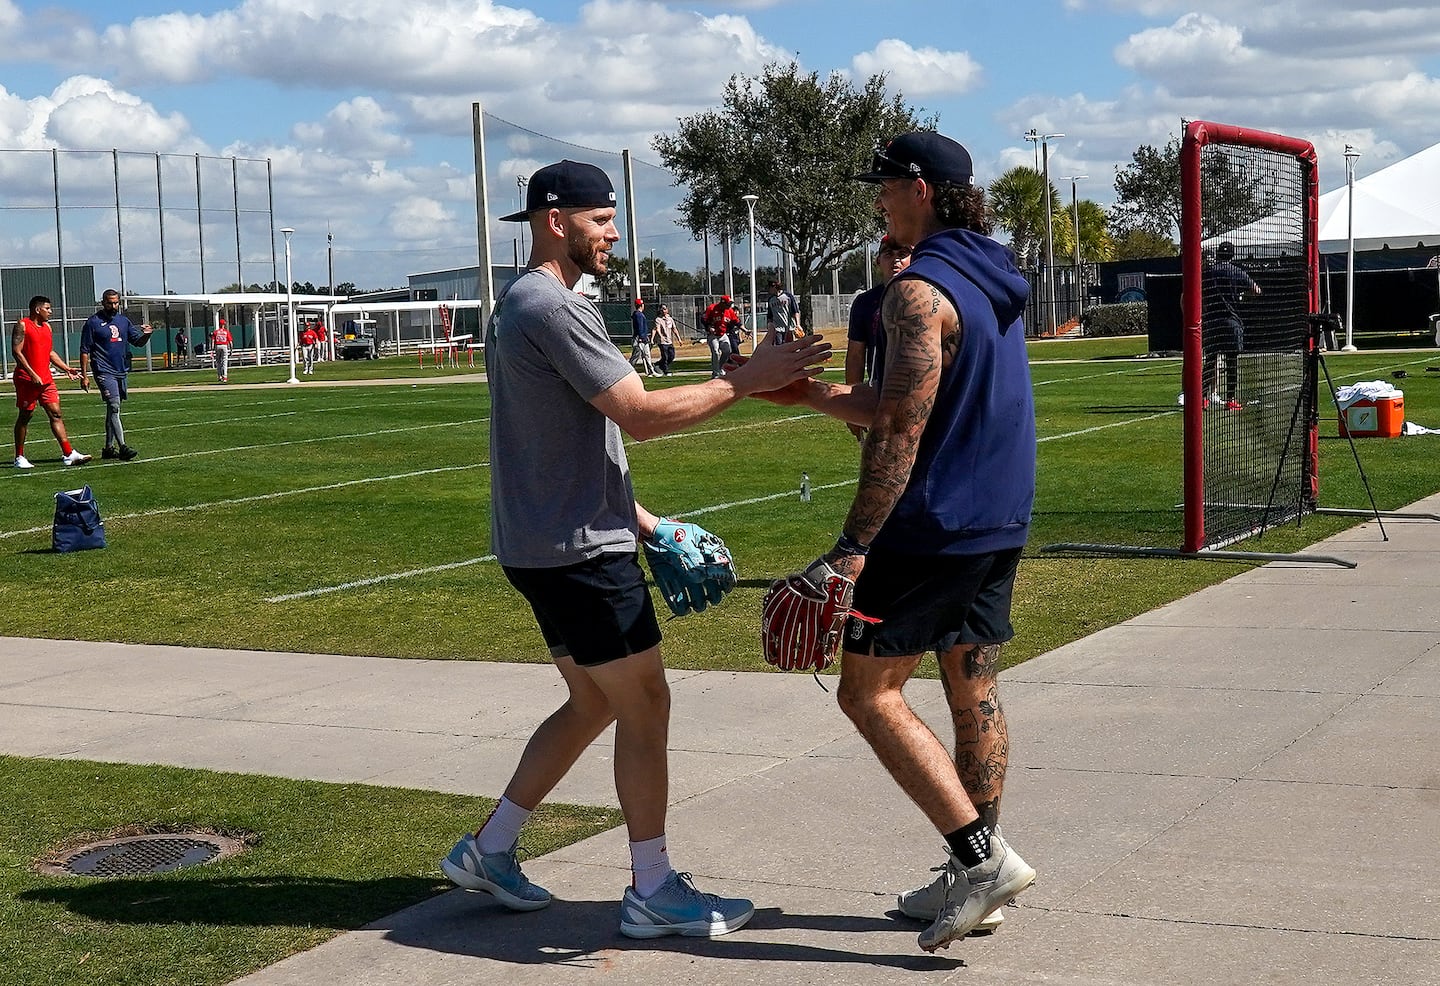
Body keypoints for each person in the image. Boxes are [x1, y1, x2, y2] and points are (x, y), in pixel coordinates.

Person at [444, 158, 829, 940]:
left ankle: (490, 849)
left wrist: (647, 523)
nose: (613, 235)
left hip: (548, 540)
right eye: (600, 221)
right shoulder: (551, 305)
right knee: (645, 703)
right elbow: (640, 415)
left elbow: (558, 444)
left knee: (595, 700)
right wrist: (743, 380)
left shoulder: (522, 302)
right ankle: (652, 887)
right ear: (558, 221)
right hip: (578, 552)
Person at [749, 132, 1037, 952]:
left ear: (920, 188)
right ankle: (974, 875)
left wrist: (850, 546)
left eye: (885, 186)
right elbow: (895, 403)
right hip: (997, 515)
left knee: (867, 694)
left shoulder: (918, 294)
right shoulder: (987, 274)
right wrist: (807, 395)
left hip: (934, 523)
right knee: (970, 683)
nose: (877, 199)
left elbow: (899, 431)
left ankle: (981, 861)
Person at [11, 295, 91, 469]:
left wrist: (66, 368)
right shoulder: (23, 325)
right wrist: (32, 374)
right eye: (47, 308)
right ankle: (19, 457)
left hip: (46, 380)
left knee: (56, 414)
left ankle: (68, 454)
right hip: (26, 380)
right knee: (25, 416)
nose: (50, 312)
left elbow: (50, 352)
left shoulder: (47, 327)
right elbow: (17, 352)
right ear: (37, 309)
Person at [844, 235, 912, 439]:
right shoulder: (866, 303)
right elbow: (856, 355)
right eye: (888, 254)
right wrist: (851, 406)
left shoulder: (929, 298)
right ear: (878, 261)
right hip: (880, 394)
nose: (896, 260)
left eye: (903, 254)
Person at [79, 289, 155, 461]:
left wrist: (147, 335)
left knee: (112, 409)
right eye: (109, 303)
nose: (113, 306)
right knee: (114, 406)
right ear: (102, 302)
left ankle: (108, 448)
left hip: (121, 370)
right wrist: (84, 375)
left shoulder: (123, 321)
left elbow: (137, 342)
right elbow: (84, 350)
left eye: (115, 303)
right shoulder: (93, 322)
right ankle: (123, 447)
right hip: (103, 371)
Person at [1201, 240, 1260, 410]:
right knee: (1231, 362)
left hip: (1212, 322)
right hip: (1231, 321)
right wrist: (1242, 297)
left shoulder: (1207, 273)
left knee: (1210, 361)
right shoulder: (1236, 271)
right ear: (1232, 255)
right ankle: (1230, 399)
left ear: (1218, 254)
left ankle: (1204, 398)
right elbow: (1256, 290)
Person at [701, 295, 742, 378]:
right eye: (728, 304)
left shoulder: (729, 311)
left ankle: (720, 368)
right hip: (713, 335)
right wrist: (709, 327)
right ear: (722, 303)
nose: (729, 306)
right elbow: (703, 319)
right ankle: (715, 373)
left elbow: (737, 322)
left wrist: (746, 330)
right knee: (716, 352)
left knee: (727, 351)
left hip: (723, 335)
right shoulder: (712, 308)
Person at [765, 279, 801, 344]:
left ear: (774, 287)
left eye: (770, 287)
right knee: (779, 347)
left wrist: (798, 324)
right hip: (777, 328)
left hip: (789, 328)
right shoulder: (771, 299)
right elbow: (770, 316)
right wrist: (769, 328)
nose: (769, 290)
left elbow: (795, 311)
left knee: (789, 347)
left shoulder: (788, 296)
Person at [630, 299, 657, 376]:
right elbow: (640, 327)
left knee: (647, 354)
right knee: (636, 355)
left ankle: (651, 370)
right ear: (642, 305)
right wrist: (641, 337)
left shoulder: (639, 314)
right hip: (640, 339)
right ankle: (629, 370)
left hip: (643, 338)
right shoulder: (638, 315)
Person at [652, 304, 678, 376]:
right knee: (665, 357)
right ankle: (666, 371)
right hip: (662, 341)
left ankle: (658, 364)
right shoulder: (658, 319)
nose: (664, 310)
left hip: (669, 341)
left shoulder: (670, 319)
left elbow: (674, 329)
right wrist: (661, 336)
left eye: (665, 309)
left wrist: (679, 338)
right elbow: (657, 329)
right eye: (662, 309)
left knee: (672, 356)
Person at [212, 316, 234, 383]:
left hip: (217, 346)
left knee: (218, 362)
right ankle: (225, 377)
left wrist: (212, 350)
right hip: (224, 346)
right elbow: (230, 342)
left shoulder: (216, 332)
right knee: (224, 362)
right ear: (224, 324)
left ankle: (219, 376)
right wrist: (231, 350)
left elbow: (213, 342)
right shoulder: (226, 332)